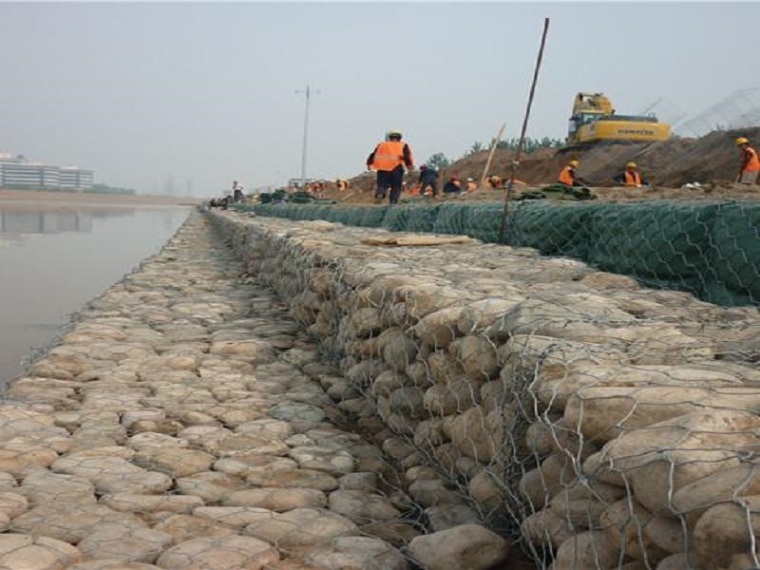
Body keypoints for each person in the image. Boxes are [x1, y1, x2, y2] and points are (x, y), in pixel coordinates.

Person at [366, 130, 414, 205]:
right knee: (396, 186)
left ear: (389, 137)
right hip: (396, 167)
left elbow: (372, 155)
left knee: (381, 184)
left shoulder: (381, 145)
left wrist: (369, 164)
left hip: (382, 168)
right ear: (399, 138)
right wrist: (409, 166)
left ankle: (380, 194)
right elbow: (407, 156)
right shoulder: (403, 145)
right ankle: (393, 201)